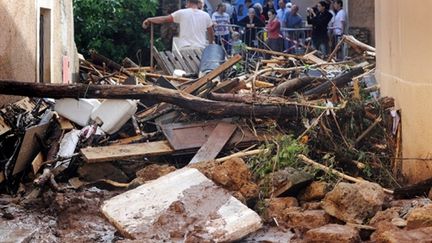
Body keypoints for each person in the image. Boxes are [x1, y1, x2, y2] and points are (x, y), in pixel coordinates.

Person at [142, 0, 214, 50]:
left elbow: (164, 19)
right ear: (198, 3)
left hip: (185, 48)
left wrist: (149, 19)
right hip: (200, 48)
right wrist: (210, 45)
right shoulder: (206, 15)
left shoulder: (181, 13)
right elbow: (211, 32)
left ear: (188, 2)